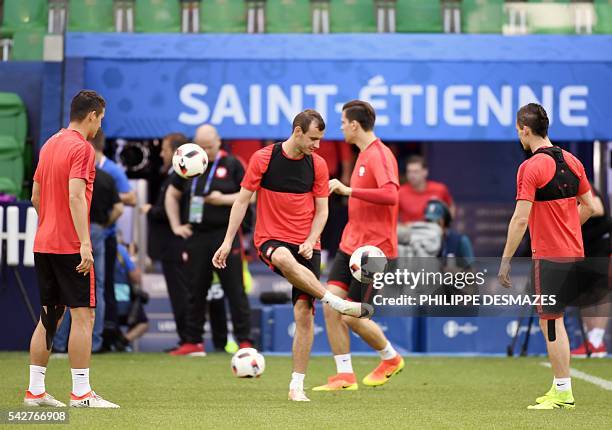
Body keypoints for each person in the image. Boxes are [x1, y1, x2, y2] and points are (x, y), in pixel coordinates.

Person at [212, 109, 373, 402]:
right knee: (283, 258)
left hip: (307, 244)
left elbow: (323, 210)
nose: (317, 144)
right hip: (270, 239)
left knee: (303, 315)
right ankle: (334, 301)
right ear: (297, 131)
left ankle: (296, 386)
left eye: (321, 139)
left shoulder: (319, 165)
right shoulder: (264, 158)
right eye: (313, 138)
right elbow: (242, 201)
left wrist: (312, 239)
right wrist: (227, 242)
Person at [498, 103, 596, 410]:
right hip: (571, 252)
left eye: (518, 131)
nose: (519, 136)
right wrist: (567, 229)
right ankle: (559, 387)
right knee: (553, 322)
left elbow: (519, 219)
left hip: (550, 255)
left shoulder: (530, 167)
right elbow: (590, 207)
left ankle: (564, 392)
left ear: (525, 130)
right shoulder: (572, 160)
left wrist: (505, 260)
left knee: (551, 323)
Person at [25, 89, 119, 408]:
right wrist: (83, 242)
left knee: (49, 315)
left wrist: (50, 223)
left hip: (44, 242)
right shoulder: (82, 148)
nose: (99, 125)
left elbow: (36, 195)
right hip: (69, 246)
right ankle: (81, 393)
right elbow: (76, 196)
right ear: (92, 115)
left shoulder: (51, 143)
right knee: (84, 316)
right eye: (100, 118)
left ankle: (35, 391)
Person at [313, 100, 404, 392]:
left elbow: (391, 196)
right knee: (330, 306)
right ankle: (345, 376)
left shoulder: (381, 155)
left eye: (342, 122)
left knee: (351, 314)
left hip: (374, 251)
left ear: (354, 124)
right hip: (350, 244)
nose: (339, 127)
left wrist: (348, 189)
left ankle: (390, 358)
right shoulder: (364, 154)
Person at [166, 124, 253, 356]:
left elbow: (249, 196)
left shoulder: (232, 164)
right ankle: (193, 341)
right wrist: (176, 225)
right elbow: (171, 194)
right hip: (197, 235)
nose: (207, 150)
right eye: (201, 146)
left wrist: (223, 199)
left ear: (219, 141)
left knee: (235, 289)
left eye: (210, 146)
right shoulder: (187, 162)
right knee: (195, 289)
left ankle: (245, 340)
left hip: (226, 235)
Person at [53, 166, 124, 353]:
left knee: (67, 287)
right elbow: (118, 208)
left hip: (72, 230)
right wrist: (104, 225)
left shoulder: (70, 175)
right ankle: (94, 343)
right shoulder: (106, 177)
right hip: (97, 230)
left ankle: (60, 344)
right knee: (97, 287)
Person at [142, 132, 201, 353]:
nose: (161, 153)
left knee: (182, 294)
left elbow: (169, 211)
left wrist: (150, 210)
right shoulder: (172, 177)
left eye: (165, 149)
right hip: (168, 248)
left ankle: (189, 339)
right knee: (179, 295)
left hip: (176, 247)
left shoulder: (183, 177)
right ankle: (185, 339)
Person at [91, 130, 136, 352]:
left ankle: (106, 335)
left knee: (104, 286)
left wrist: (109, 193)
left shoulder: (111, 171)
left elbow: (131, 198)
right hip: (91, 233)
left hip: (105, 236)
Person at [570, 186, 610, 358]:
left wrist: (566, 213)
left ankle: (596, 340)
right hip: (584, 246)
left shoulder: (578, 183)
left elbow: (598, 209)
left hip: (602, 244)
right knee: (583, 292)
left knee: (603, 291)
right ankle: (591, 340)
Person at [398, 155, 455, 224]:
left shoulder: (440, 189)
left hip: (434, 231)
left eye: (416, 172)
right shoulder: (400, 192)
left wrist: (446, 226)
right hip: (410, 232)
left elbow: (451, 206)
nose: (412, 175)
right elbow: (392, 215)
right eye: (409, 172)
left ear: (425, 172)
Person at [114, 235, 149, 345]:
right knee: (143, 323)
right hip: (122, 301)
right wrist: (131, 257)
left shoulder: (91, 248)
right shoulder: (121, 251)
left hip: (98, 301)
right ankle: (124, 340)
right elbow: (136, 277)